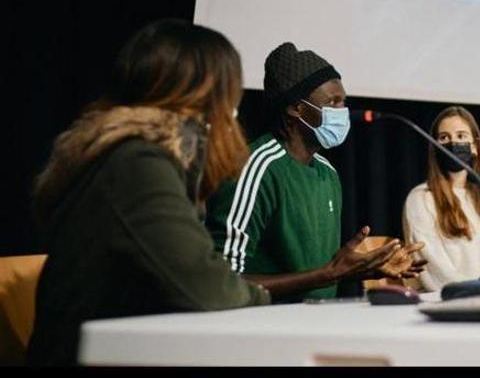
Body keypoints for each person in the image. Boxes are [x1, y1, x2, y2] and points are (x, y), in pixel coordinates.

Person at [27, 20, 271, 365]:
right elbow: (208, 287)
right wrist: (260, 299)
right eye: (232, 95)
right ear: (208, 95)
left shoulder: (132, 154)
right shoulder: (137, 162)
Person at [205, 42, 425, 303]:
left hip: (316, 323)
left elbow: (320, 274)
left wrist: (364, 269)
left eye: (344, 102)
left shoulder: (327, 173)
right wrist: (328, 274)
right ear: (295, 108)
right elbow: (221, 279)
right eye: (333, 102)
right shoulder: (256, 168)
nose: (343, 111)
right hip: (264, 329)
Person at [402, 106, 480, 291]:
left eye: (461, 136)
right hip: (452, 304)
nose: (453, 143)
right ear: (435, 147)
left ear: (475, 147)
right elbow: (435, 272)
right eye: (444, 137)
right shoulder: (420, 199)